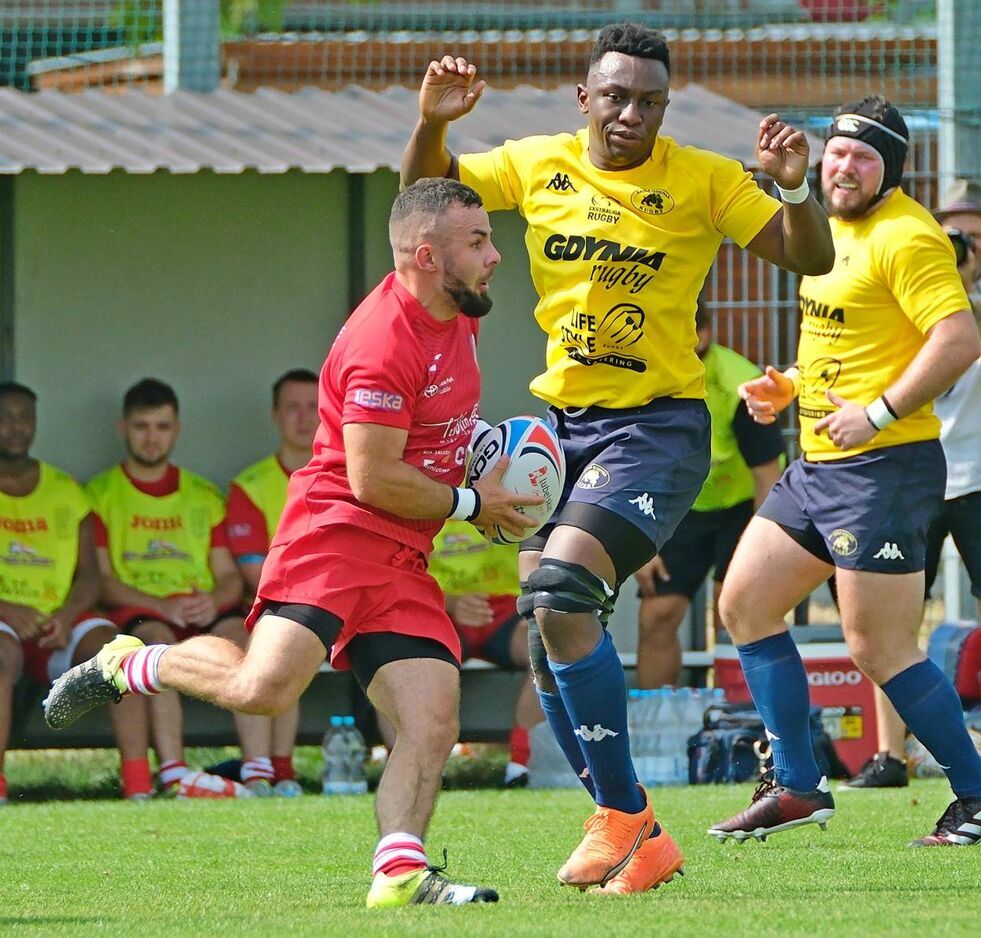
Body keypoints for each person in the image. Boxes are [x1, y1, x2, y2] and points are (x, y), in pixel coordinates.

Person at [400, 22, 833, 893]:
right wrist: (433, 123)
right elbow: (424, 197)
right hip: (562, 424)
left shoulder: (703, 179)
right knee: (545, 628)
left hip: (659, 427)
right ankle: (635, 833)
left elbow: (809, 256)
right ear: (584, 98)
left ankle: (624, 813)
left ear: (664, 108)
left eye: (649, 100)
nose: (631, 113)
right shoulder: (538, 163)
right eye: (617, 96)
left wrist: (794, 189)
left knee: (563, 593)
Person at [46, 178, 538, 908]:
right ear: (429, 257)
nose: (496, 256)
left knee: (433, 716)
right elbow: (371, 479)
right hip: (336, 535)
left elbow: (417, 197)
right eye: (479, 242)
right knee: (261, 689)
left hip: (404, 554)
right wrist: (476, 500)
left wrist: (433, 121)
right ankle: (135, 660)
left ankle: (400, 871)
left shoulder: (456, 306)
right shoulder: (382, 342)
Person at [707, 96, 981, 848]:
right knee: (745, 604)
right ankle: (796, 785)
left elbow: (956, 344)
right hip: (820, 464)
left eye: (864, 158)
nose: (845, 167)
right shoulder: (824, 227)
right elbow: (854, 338)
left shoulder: (909, 236)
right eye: (838, 153)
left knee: (876, 645)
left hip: (884, 467)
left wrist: (876, 414)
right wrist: (788, 383)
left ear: (892, 172)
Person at [847, 179, 981, 788]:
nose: (963, 246)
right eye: (950, 235)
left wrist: (966, 295)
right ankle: (890, 755)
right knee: (890, 619)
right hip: (916, 470)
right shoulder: (914, 280)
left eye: (973, 237)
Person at [85, 378, 268, 796]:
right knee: (155, 645)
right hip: (146, 614)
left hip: (199, 608)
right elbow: (103, 581)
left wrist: (213, 601)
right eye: (142, 426)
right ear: (122, 428)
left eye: (162, 427)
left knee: (244, 638)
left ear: (177, 429)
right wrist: (161, 606)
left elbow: (227, 576)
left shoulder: (202, 494)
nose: (152, 438)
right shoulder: (99, 493)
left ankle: (260, 773)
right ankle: (173, 773)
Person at [0, 382, 149, 802]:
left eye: (24, 418)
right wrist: (7, 609)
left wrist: (66, 615)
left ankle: (139, 785)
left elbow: (90, 578)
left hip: (57, 623)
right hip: (4, 623)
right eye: (5, 417)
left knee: (120, 654)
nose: (15, 427)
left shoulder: (65, 491)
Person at [633, 304, 785, 688]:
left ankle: (736, 718)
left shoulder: (741, 383)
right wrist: (639, 544)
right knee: (657, 614)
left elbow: (768, 474)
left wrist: (760, 548)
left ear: (703, 336)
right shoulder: (642, 379)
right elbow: (630, 464)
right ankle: (655, 731)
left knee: (731, 612)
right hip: (678, 508)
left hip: (742, 507)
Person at [223, 368, 320, 796]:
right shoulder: (249, 486)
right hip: (277, 609)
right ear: (275, 415)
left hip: (341, 611)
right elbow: (254, 573)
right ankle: (264, 771)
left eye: (313, 407)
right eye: (292, 407)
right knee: (276, 638)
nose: (305, 417)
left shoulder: (350, 476)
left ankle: (281, 769)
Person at [426, 519, 544, 786]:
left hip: (507, 608)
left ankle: (521, 768)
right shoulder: (420, 487)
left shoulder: (511, 481)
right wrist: (451, 602)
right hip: (437, 608)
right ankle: (425, 771)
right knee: (409, 657)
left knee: (546, 648)